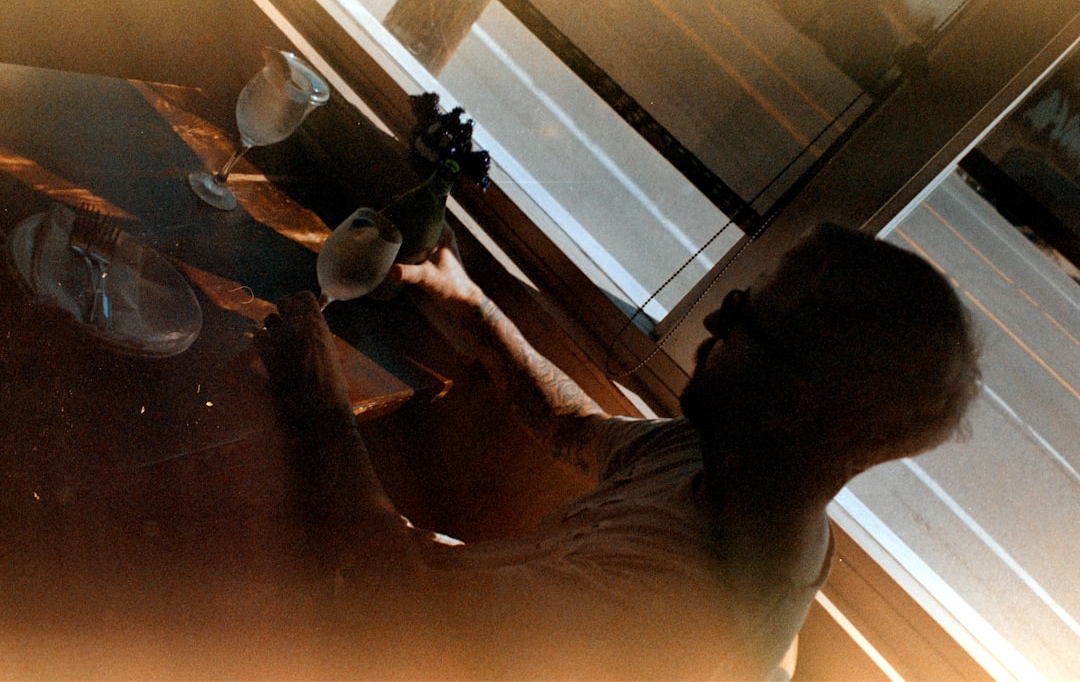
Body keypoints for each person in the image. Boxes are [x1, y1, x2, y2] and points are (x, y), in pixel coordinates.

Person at [254, 222, 980, 680]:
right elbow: (571, 425)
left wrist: (314, 391)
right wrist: (469, 304)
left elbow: (387, 593)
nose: (716, 319)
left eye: (745, 316)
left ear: (794, 404)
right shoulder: (732, 462)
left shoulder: (673, 610)